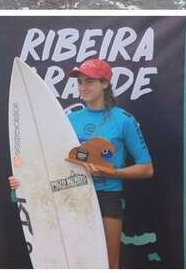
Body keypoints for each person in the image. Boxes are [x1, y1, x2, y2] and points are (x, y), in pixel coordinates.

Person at [9, 59, 154, 268]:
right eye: (80, 82)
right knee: (75, 263)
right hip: (71, 195)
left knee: (108, 264)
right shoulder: (68, 119)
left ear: (105, 84)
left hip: (107, 198)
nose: (83, 87)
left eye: (89, 82)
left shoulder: (123, 120)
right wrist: (23, 181)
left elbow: (146, 168)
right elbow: (51, 162)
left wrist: (110, 173)